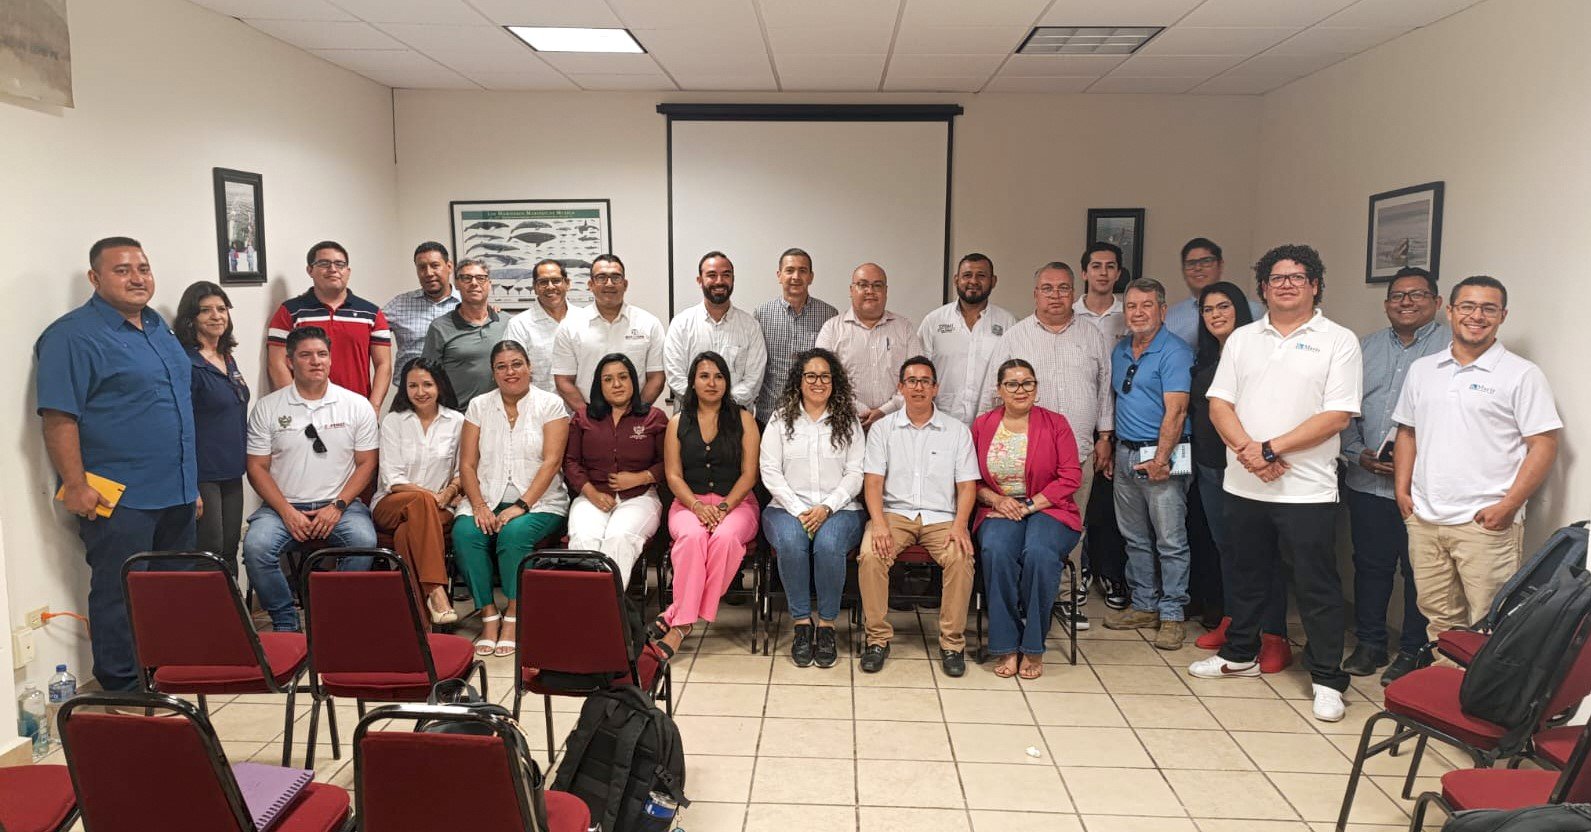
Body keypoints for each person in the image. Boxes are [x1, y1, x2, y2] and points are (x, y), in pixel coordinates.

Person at [1188, 244, 1361, 723]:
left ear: (1315, 285)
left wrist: (1270, 448)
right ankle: (1240, 654)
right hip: (1244, 484)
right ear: (1263, 289)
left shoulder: (1338, 340)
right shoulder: (1244, 339)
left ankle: (1327, 678)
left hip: (1307, 489)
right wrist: (1250, 451)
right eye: (1276, 278)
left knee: (1316, 585)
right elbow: (1219, 403)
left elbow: (1337, 415)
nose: (1286, 285)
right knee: (1245, 576)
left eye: (1297, 277)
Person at [35, 237, 197, 692]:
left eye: (143, 268)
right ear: (95, 278)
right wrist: (75, 484)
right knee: (119, 595)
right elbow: (59, 417)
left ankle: (167, 676)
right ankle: (124, 688)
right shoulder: (71, 336)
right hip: (119, 495)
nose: (137, 278)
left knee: (172, 592)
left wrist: (190, 484)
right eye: (122, 270)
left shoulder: (158, 326)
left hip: (177, 490)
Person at [1393, 275, 1561, 662]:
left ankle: (1480, 697)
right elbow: (1407, 433)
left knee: (1490, 623)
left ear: (1503, 315)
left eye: (1488, 308)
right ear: (1451, 311)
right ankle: (1447, 688)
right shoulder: (1423, 369)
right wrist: (1402, 491)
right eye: (1467, 306)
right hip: (1426, 518)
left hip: (1486, 523)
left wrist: (1509, 505)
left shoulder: (1521, 374)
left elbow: (1544, 444)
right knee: (1439, 620)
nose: (1477, 316)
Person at [1339, 267, 1450, 684]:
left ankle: (1413, 650)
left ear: (1437, 303)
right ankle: (1369, 643)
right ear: (1387, 304)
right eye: (1398, 295)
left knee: (1421, 571)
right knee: (1370, 566)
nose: (1406, 302)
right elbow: (1343, 409)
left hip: (1424, 488)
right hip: (1367, 481)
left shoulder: (1452, 349)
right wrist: (1356, 453)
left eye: (1417, 294)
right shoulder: (1363, 348)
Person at [989, 262, 1114, 622]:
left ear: (1074, 293)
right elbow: (996, 393)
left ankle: (1065, 597)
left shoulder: (1092, 335)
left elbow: (1104, 388)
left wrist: (1105, 436)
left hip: (1079, 453)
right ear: (1035, 294)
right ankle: (1025, 598)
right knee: (1025, 531)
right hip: (1024, 458)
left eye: (1063, 288)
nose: (1055, 295)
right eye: (1047, 288)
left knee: (1070, 526)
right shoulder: (1016, 336)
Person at [242, 327, 379, 632]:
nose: (316, 361)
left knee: (363, 542)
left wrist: (338, 506)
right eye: (306, 355)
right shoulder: (268, 407)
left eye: (322, 354)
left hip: (341, 506)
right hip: (282, 507)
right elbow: (256, 468)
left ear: (330, 359)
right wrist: (286, 512)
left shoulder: (356, 405)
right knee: (256, 547)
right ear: (290, 361)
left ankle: (333, 618)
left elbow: (367, 463)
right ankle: (286, 622)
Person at [1187, 282, 1291, 672]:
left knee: (1262, 554)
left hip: (1250, 466)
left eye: (1223, 306)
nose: (1215, 315)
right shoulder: (1207, 357)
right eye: (1208, 309)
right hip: (1211, 467)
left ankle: (1274, 635)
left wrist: (1258, 455)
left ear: (1240, 310)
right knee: (1226, 549)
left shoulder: (1260, 352)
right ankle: (1235, 623)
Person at [858, 357, 979, 677]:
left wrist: (960, 526)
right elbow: (873, 483)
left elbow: (967, 487)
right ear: (900, 387)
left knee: (960, 557)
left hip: (942, 518)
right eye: (911, 381)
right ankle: (877, 639)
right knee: (871, 554)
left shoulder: (957, 431)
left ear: (935, 388)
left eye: (925, 381)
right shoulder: (883, 429)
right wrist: (879, 524)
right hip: (894, 515)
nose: (918, 387)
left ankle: (952, 643)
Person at [454, 340, 570, 657]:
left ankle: (514, 615)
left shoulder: (550, 404)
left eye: (517, 364)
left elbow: (552, 462)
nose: (510, 372)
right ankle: (489, 614)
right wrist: (479, 506)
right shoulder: (479, 406)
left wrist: (521, 505)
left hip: (541, 503)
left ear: (529, 367)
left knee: (513, 534)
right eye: (502, 367)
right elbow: (467, 465)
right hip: (486, 498)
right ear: (493, 373)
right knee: (465, 533)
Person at [972, 359, 1083, 679]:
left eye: (1027, 383)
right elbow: (969, 479)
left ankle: (1033, 645)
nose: (1020, 390)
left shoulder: (1056, 423)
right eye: (1012, 384)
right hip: (999, 507)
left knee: (1039, 552)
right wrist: (997, 500)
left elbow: (1071, 477)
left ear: (1036, 387)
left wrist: (1030, 505)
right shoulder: (983, 425)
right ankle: (1006, 644)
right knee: (996, 550)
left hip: (1049, 508)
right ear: (999, 390)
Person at [759, 348, 865, 669]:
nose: (818, 382)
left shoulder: (849, 420)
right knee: (792, 542)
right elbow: (769, 471)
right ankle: (802, 625)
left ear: (834, 381)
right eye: (811, 376)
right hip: (785, 508)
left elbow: (856, 473)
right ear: (799, 380)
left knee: (829, 544)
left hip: (841, 509)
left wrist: (827, 508)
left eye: (825, 376)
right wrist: (799, 510)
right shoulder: (780, 419)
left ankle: (828, 626)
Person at [1105, 279, 1196, 651]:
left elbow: (1177, 411)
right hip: (1126, 454)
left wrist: (1161, 459)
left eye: (1147, 305)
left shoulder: (1175, 351)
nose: (1138, 313)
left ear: (1163, 309)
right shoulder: (1121, 350)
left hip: (1162, 457)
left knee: (1170, 540)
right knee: (1135, 537)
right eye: (1131, 306)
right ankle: (1144, 605)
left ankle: (1172, 614)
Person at [657, 352, 762, 657]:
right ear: (692, 382)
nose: (712, 383)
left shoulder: (743, 419)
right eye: (704, 376)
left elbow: (750, 475)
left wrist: (724, 508)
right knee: (692, 537)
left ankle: (679, 620)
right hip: (689, 503)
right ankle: (684, 618)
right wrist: (697, 507)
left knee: (725, 538)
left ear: (727, 382)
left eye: (719, 376)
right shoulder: (677, 422)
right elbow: (673, 475)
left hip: (738, 504)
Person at [372, 358, 464, 625]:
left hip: (441, 508)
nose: (420, 391)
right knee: (419, 503)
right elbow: (392, 479)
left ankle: (419, 622)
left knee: (406, 533)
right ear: (404, 389)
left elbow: (462, 471)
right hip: (392, 503)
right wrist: (432, 495)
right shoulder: (394, 421)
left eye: (427, 384)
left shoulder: (456, 421)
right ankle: (436, 590)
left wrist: (448, 493)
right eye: (412, 385)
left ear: (439, 386)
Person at [563, 353, 668, 588]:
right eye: (608, 379)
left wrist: (641, 477)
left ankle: (605, 605)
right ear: (598, 385)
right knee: (585, 540)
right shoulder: (583, 418)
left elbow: (669, 463)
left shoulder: (654, 417)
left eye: (623, 377)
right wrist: (591, 493)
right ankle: (593, 605)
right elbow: (570, 462)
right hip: (592, 495)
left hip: (640, 497)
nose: (617, 384)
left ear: (633, 381)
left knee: (618, 538)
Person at [174, 281, 249, 575]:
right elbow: (180, 424)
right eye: (206, 310)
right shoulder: (186, 362)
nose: (216, 316)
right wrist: (190, 486)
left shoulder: (226, 358)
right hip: (203, 473)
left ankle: (230, 605)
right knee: (210, 550)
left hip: (232, 470)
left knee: (229, 547)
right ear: (190, 318)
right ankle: (207, 605)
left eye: (221, 309)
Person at [267, 241, 392, 413]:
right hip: (307, 411)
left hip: (357, 411)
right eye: (324, 263)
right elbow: (277, 363)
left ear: (348, 271)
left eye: (339, 264)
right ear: (310, 270)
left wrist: (374, 407)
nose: (333, 269)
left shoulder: (371, 313)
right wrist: (295, 407)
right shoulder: (290, 311)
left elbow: (384, 365)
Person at [550, 254, 665, 411]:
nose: (609, 283)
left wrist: (635, 413)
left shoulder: (648, 323)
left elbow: (657, 377)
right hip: (588, 415)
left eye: (616, 277)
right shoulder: (570, 326)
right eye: (601, 277)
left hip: (635, 416)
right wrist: (587, 417)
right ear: (590, 284)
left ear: (625, 284)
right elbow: (563, 380)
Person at [815, 263, 922, 429]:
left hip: (897, 423)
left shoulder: (904, 328)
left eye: (877, 285)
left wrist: (885, 410)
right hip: (845, 424)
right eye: (863, 285)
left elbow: (917, 377)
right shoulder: (831, 329)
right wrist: (859, 410)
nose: (870, 291)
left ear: (886, 291)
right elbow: (822, 379)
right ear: (851, 290)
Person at [917, 253, 1016, 426]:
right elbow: (919, 372)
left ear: (993, 281)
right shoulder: (933, 321)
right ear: (956, 280)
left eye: (981, 276)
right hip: (942, 422)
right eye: (967, 275)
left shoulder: (1008, 323)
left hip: (992, 423)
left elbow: (1015, 375)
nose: (974, 281)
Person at [664, 251, 768, 412]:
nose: (719, 281)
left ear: (733, 279)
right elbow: (675, 376)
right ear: (699, 280)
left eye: (726, 275)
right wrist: (704, 405)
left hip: (736, 418)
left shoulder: (750, 326)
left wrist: (723, 405)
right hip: (690, 417)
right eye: (712, 275)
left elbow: (753, 380)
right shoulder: (680, 324)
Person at [753, 248, 839, 419]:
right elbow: (755, 365)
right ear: (779, 275)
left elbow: (833, 368)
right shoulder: (761, 314)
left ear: (811, 277)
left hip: (813, 415)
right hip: (769, 413)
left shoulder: (829, 315)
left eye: (802, 271)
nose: (796, 277)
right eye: (789, 270)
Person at [421, 258, 508, 408]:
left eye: (480, 278)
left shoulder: (507, 322)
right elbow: (428, 377)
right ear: (457, 284)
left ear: (489, 284)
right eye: (466, 278)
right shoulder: (439, 327)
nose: (474, 283)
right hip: (459, 415)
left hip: (504, 413)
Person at [504, 259, 590, 394]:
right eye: (543, 282)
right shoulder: (519, 325)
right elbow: (513, 373)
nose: (550, 287)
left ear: (567, 283)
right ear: (535, 287)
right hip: (540, 406)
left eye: (556, 281)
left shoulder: (585, 318)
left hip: (586, 404)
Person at [1164, 238, 1264, 346]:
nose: (1198, 268)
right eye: (1191, 263)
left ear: (1220, 265)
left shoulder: (1254, 311)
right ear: (1183, 271)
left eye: (1206, 261)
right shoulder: (1170, 317)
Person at [383, 241, 460, 377]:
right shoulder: (400, 304)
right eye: (422, 267)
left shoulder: (466, 303)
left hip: (455, 387)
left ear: (449, 266)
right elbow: (368, 327)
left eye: (435, 265)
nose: (428, 273)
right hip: (409, 387)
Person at [1074, 242, 1125, 342]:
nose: (1103, 273)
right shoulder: (1070, 314)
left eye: (1110, 267)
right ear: (1084, 274)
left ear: (1118, 274)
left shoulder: (1128, 314)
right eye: (1096, 266)